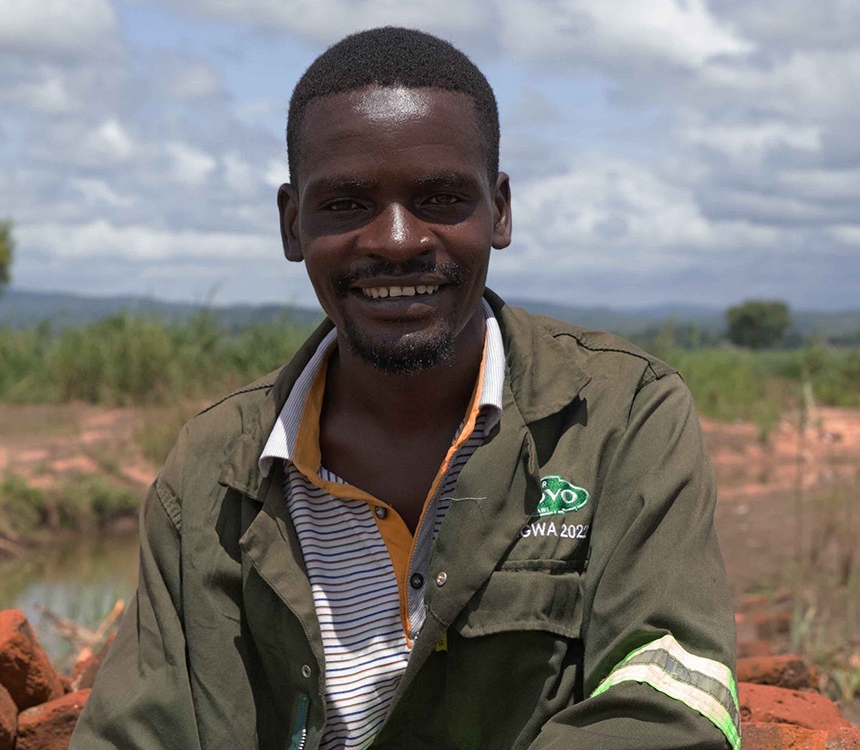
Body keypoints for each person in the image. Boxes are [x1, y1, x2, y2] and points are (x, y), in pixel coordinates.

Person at [71, 26, 738, 750]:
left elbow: (672, 708)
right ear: (292, 223)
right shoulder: (214, 471)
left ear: (500, 210)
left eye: (441, 198)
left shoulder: (620, 417)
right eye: (346, 204)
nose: (395, 240)